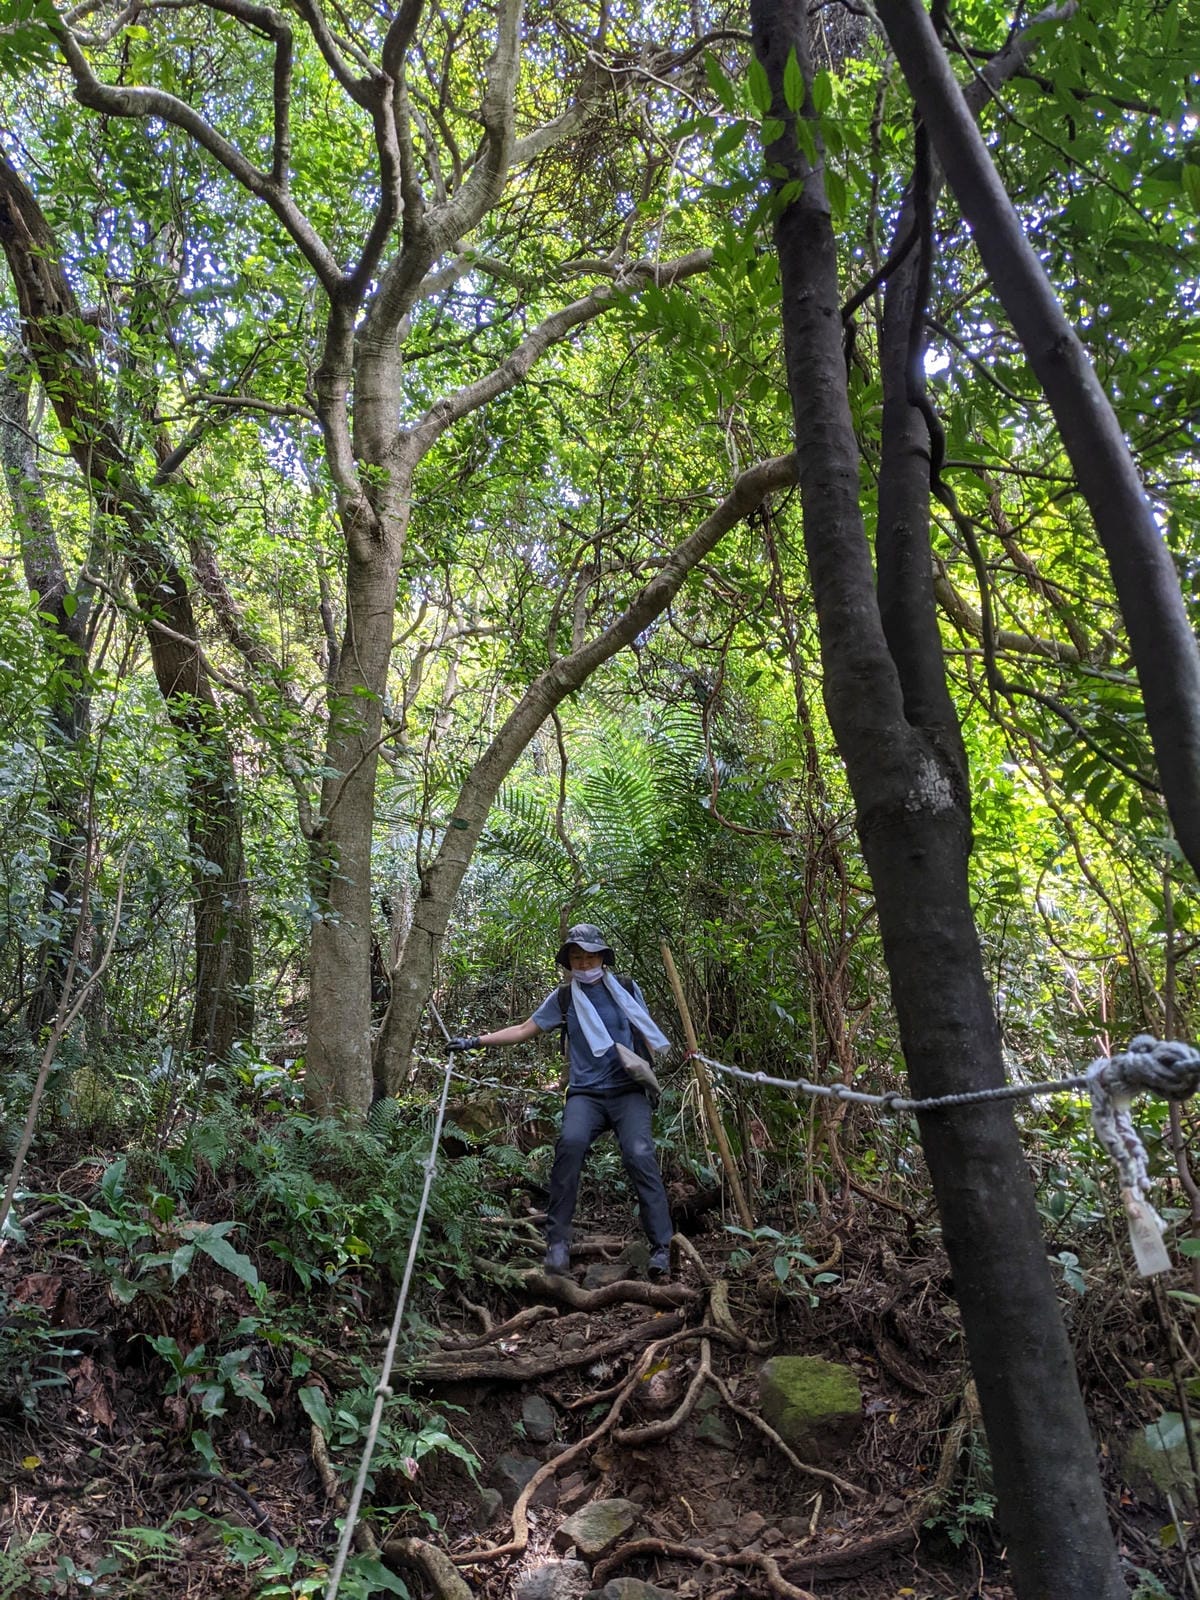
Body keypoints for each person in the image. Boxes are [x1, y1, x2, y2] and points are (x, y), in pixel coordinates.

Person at [448, 924, 674, 1278]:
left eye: (590, 957)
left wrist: (669, 1066)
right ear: (569, 963)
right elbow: (524, 1029)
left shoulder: (626, 989)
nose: (584, 965)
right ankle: (557, 1244)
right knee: (569, 1146)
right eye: (577, 959)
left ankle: (661, 1248)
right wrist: (474, 1041)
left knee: (640, 1154)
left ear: (603, 958)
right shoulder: (565, 998)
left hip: (628, 1091)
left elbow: (646, 1030)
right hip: (586, 1093)